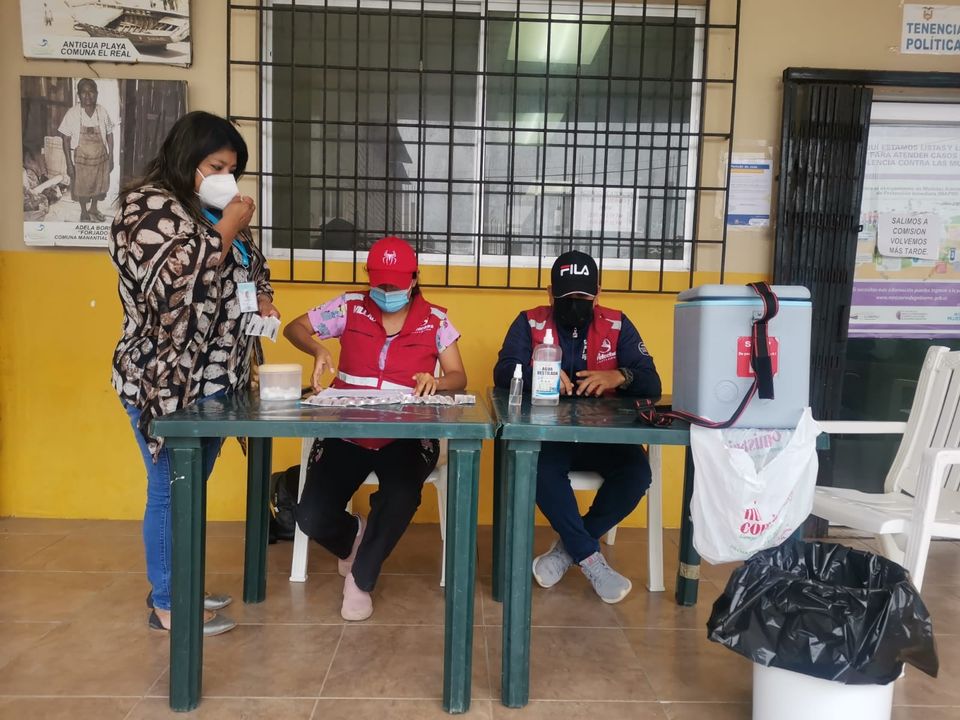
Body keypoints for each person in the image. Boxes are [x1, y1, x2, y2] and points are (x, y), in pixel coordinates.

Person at [109, 111, 279, 635]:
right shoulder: (146, 208)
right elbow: (176, 279)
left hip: (216, 384)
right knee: (170, 488)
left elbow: (250, 268)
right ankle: (169, 604)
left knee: (189, 489)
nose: (227, 177)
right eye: (216, 165)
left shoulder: (207, 210)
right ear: (187, 160)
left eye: (233, 169)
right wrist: (229, 225)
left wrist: (263, 298)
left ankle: (177, 583)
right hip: (165, 381)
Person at [283, 236, 467, 621]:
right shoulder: (349, 307)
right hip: (348, 430)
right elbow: (295, 328)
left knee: (400, 495)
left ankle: (360, 579)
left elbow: (458, 376)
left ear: (414, 279)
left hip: (407, 435)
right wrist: (318, 349)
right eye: (379, 283)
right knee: (311, 515)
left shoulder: (435, 320)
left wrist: (436, 382)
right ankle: (355, 535)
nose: (386, 292)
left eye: (394, 285)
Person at [493, 250, 661, 604]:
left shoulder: (617, 324)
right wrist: (542, 374)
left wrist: (621, 375)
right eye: (565, 296)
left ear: (597, 293)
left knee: (637, 474)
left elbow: (652, 381)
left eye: (582, 296)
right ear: (549, 293)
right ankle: (590, 558)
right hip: (549, 433)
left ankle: (568, 550)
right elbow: (504, 370)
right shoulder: (529, 322)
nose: (574, 304)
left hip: (604, 435)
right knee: (534, 467)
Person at [58, 78, 116, 223]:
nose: (88, 96)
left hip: (100, 159)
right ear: (79, 95)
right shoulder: (72, 113)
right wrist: (69, 164)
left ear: (97, 93)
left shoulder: (102, 112)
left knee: (99, 185)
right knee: (82, 187)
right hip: (81, 162)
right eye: (84, 92)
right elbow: (65, 139)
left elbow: (109, 134)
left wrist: (111, 157)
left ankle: (94, 208)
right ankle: (84, 211)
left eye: (91, 92)